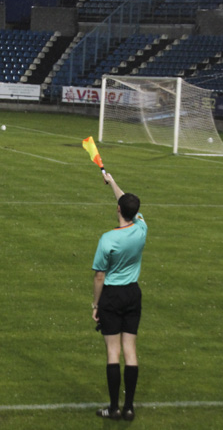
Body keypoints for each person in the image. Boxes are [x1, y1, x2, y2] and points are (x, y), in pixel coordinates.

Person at [91, 173, 146, 422]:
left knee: (113, 353)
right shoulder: (142, 228)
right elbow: (125, 202)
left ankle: (113, 408)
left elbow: (99, 276)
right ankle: (130, 408)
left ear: (118, 210)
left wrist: (96, 304)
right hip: (133, 294)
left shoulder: (108, 239)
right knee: (130, 351)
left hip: (112, 296)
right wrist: (112, 182)